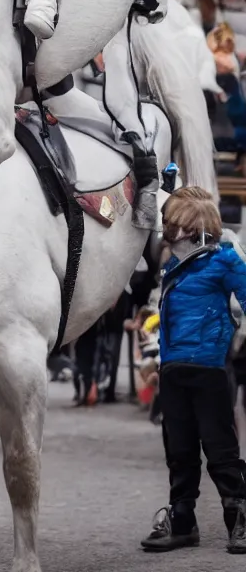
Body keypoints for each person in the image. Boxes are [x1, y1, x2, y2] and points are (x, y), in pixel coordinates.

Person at [141, 187, 246, 554]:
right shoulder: (173, 265)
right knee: (179, 450)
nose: (170, 230)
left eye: (176, 224)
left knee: (220, 451)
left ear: (195, 226)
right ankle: (183, 522)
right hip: (174, 369)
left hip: (211, 369)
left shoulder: (226, 260)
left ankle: (240, 519)